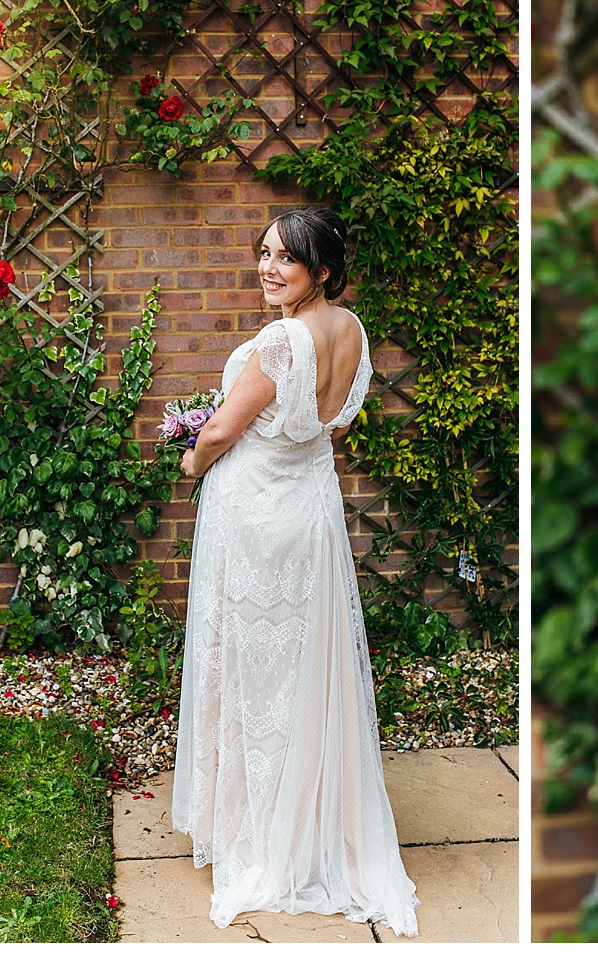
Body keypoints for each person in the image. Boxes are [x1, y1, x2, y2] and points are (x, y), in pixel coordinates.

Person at [171, 206, 419, 936]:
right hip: (309, 513)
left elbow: (223, 426)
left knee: (254, 666)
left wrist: (193, 455)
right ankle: (309, 820)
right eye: (265, 253)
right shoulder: (352, 331)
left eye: (286, 258)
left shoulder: (283, 337)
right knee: (304, 668)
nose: (268, 267)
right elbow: (329, 420)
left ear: (322, 270)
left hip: (255, 520)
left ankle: (264, 834)